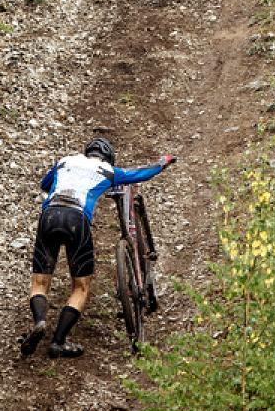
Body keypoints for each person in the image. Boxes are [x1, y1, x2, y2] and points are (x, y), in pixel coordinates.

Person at [21, 138, 177, 358]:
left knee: (39, 282)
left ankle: (39, 322)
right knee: (80, 287)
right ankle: (58, 342)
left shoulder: (65, 161)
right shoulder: (109, 170)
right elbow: (142, 174)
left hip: (49, 215)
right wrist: (163, 163)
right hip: (77, 218)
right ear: (108, 157)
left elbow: (45, 185)